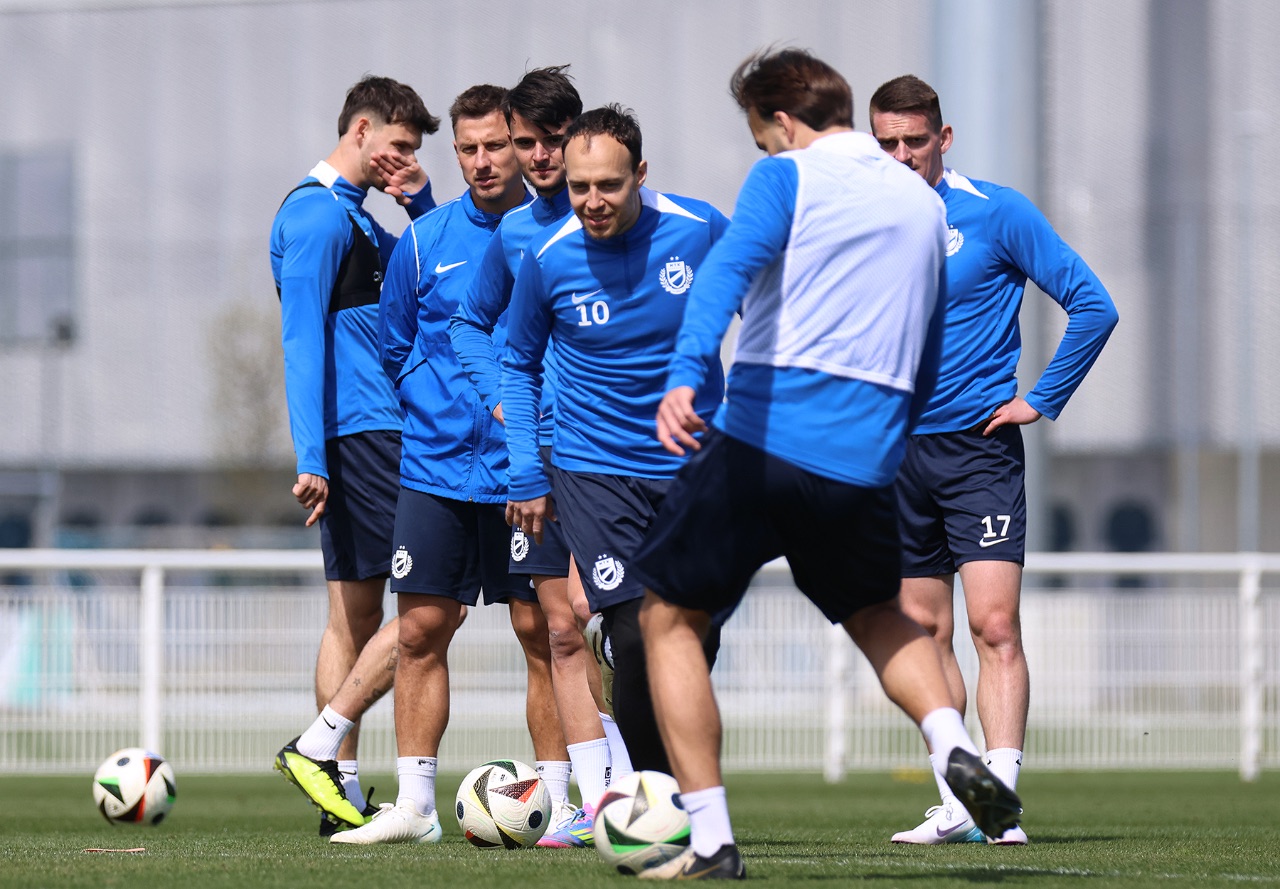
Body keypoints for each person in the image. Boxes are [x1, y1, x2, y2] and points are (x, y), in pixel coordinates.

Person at [632, 49, 1023, 880]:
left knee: (668, 618)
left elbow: (724, 276)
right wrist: (896, 431)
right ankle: (955, 746)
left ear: (781, 122)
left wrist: (684, 373)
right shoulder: (921, 202)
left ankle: (711, 838)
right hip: (866, 452)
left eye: (761, 135)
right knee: (880, 615)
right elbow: (927, 336)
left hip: (763, 437)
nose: (765, 150)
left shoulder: (786, 177)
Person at [868, 74, 1118, 846]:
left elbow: (1094, 304)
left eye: (914, 141)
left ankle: (999, 802)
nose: (902, 156)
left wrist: (1040, 399)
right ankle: (960, 800)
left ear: (943, 139)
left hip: (977, 454)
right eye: (886, 143)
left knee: (994, 624)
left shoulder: (997, 212)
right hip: (893, 456)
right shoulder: (858, 223)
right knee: (922, 631)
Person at [329, 83, 564, 846]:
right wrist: (431, 404)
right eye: (469, 149)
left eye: (497, 145)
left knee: (543, 631)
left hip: (526, 467)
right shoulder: (425, 240)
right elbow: (395, 344)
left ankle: (564, 802)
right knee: (421, 630)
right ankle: (416, 806)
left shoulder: (555, 235)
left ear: (520, 145)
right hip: (435, 468)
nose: (484, 160)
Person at [502, 104, 728, 784]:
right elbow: (518, 363)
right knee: (634, 632)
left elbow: (775, 311)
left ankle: (669, 782)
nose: (592, 201)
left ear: (641, 175)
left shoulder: (700, 230)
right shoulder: (548, 258)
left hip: (694, 468)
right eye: (579, 187)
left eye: (609, 185)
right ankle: (655, 798)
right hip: (594, 470)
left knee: (693, 635)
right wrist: (525, 470)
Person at [448, 65, 631, 849]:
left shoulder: (618, 221)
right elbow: (467, 324)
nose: (539, 155)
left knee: (611, 621)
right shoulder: (517, 234)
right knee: (558, 627)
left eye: (552, 139)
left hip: (611, 453)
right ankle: (600, 799)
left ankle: (648, 780)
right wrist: (499, 395)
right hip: (537, 454)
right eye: (526, 142)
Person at [269, 75, 440, 834]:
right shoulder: (316, 216)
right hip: (365, 437)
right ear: (361, 130)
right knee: (424, 606)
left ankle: (336, 793)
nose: (403, 157)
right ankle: (330, 769)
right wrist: (312, 456)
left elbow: (443, 274)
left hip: (376, 431)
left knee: (356, 614)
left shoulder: (360, 219)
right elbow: (301, 338)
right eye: (398, 143)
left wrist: (419, 202)